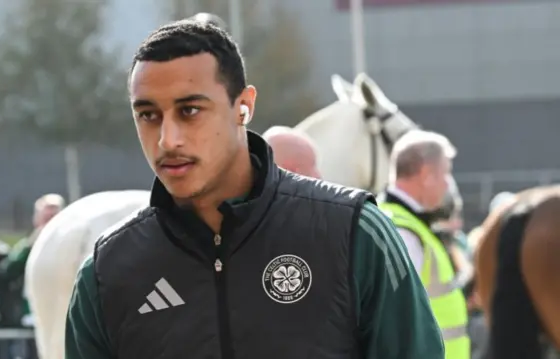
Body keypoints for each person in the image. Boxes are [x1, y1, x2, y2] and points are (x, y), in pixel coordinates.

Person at [65, 19, 443, 359]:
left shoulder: (353, 233)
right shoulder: (106, 272)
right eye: (148, 115)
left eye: (190, 110)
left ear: (243, 106)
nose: (167, 139)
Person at [378, 130, 470, 359]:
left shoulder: (401, 222)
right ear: (426, 174)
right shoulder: (403, 230)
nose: (448, 184)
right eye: (446, 173)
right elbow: (393, 319)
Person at [0, 193, 65, 327]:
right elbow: (8, 270)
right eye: (46, 218)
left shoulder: (69, 247)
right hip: (32, 317)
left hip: (61, 316)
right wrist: (31, 245)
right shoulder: (27, 246)